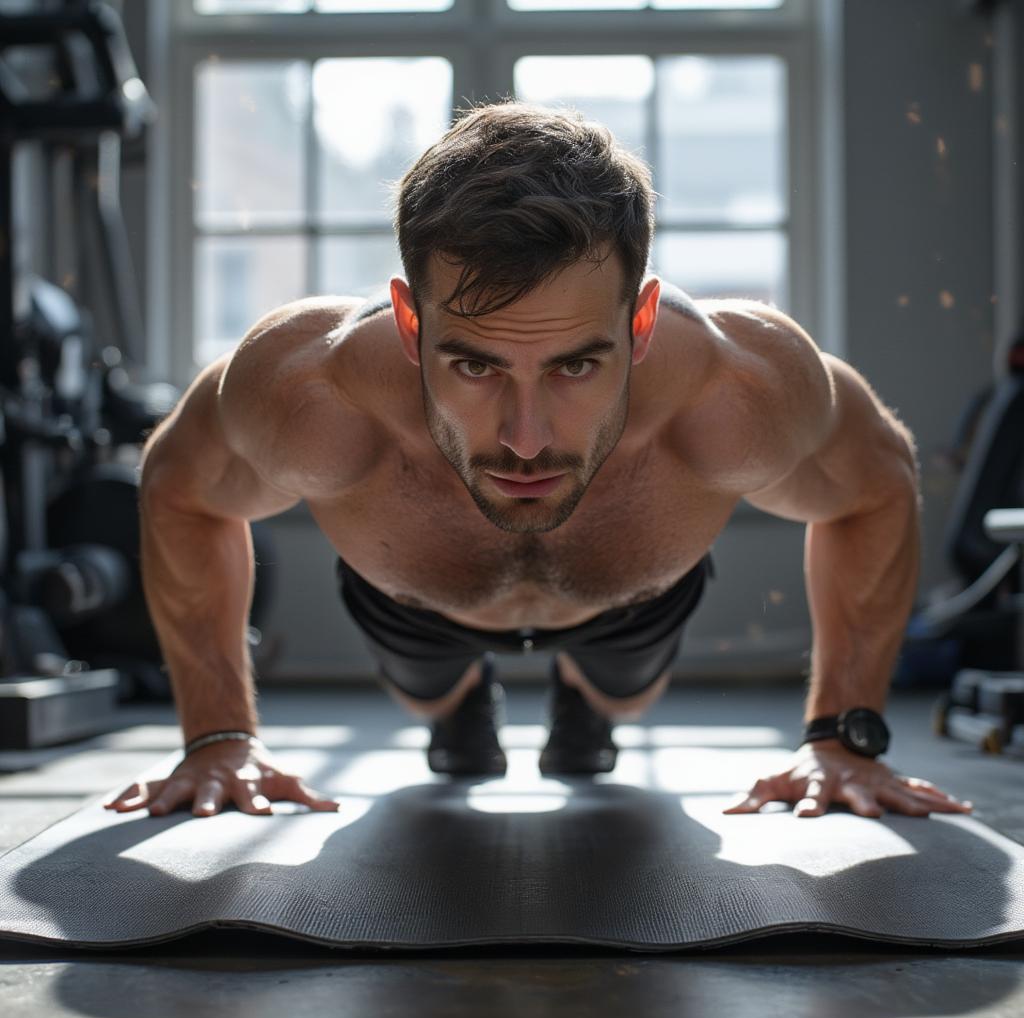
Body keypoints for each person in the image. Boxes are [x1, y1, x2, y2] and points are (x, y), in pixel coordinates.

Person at [105, 100, 973, 822]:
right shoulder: (311, 392)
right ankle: (460, 710)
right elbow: (181, 487)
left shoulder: (737, 386)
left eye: (575, 365)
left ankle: (586, 706)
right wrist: (218, 737)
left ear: (640, 321)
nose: (525, 437)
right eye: (475, 364)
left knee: (616, 696)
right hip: (416, 604)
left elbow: (877, 481)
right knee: (440, 713)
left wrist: (844, 738)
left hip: (633, 602)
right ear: (411, 323)